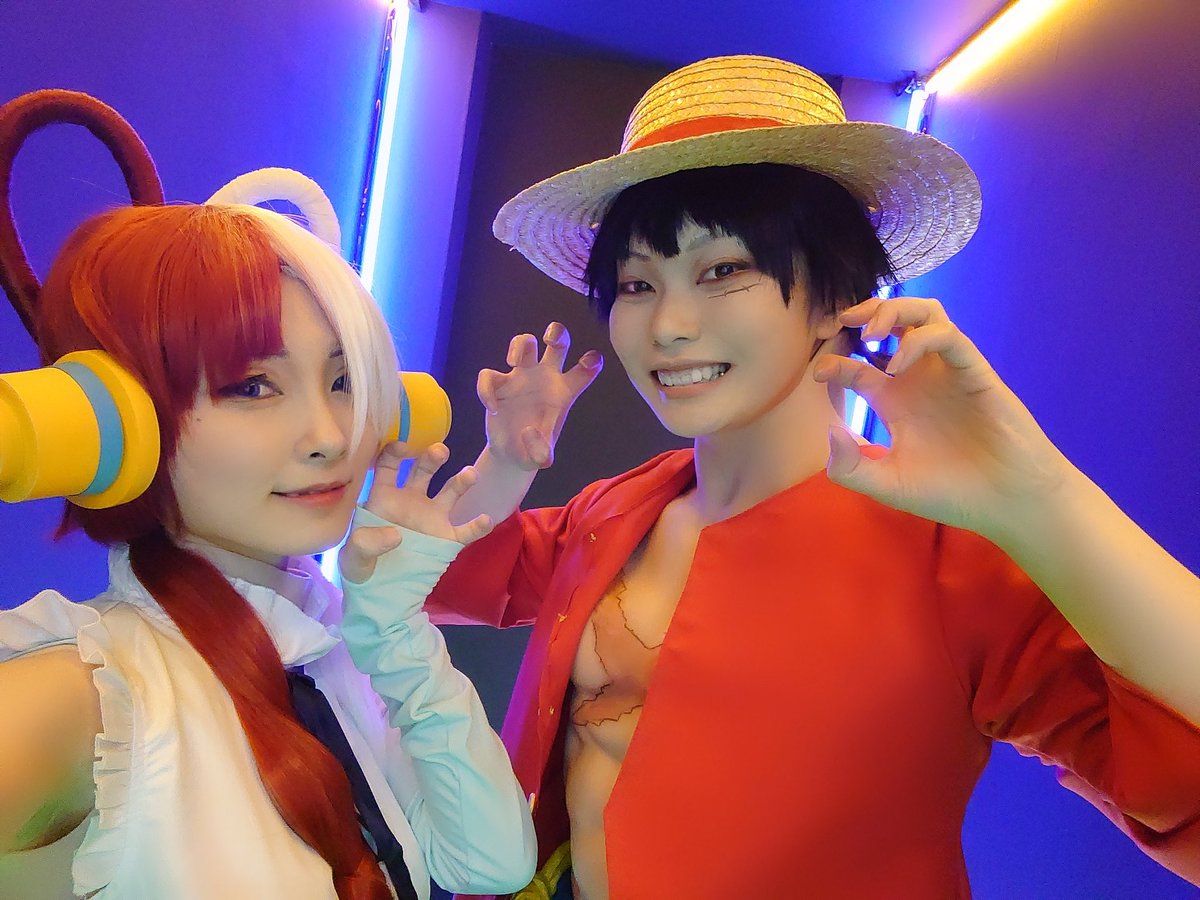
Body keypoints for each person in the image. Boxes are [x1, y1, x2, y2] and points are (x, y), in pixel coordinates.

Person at [406, 56, 1200, 899]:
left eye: (722, 271)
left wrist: (1042, 495)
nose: (668, 325)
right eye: (637, 284)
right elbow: (431, 578)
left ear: (834, 295)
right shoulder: (617, 510)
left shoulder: (952, 561)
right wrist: (505, 463)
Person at [0, 92, 535, 900]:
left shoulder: (339, 645)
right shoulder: (86, 698)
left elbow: (491, 861)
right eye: (253, 386)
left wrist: (395, 634)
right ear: (116, 421)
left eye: (345, 380)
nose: (331, 435)